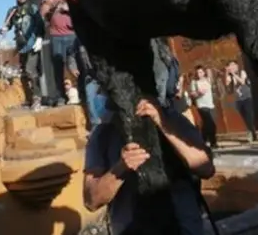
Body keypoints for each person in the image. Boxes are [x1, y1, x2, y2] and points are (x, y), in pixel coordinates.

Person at [83, 98, 215, 235]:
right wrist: (120, 168)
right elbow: (91, 200)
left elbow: (206, 168)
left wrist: (163, 124)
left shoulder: (174, 120)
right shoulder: (103, 134)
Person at [0, 0, 44, 110]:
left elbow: (40, 23)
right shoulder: (13, 11)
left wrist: (40, 38)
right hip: (21, 45)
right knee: (24, 72)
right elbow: (7, 24)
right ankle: (28, 97)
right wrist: (4, 30)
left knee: (31, 70)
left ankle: (37, 98)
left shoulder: (32, 8)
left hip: (32, 43)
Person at [41, 0, 76, 105]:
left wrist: (67, 7)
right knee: (58, 67)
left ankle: (78, 93)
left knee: (74, 65)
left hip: (72, 34)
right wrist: (51, 1)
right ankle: (61, 96)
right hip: (56, 36)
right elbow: (43, 13)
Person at [225, 59, 257, 144]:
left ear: (237, 66)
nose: (232, 67)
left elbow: (242, 82)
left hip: (246, 97)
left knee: (249, 116)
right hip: (238, 99)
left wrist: (234, 74)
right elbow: (228, 87)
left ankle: (251, 133)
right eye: (230, 66)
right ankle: (253, 133)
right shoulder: (230, 75)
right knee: (244, 117)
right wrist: (227, 74)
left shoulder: (242, 72)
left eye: (233, 65)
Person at [189, 66, 218, 149]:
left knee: (207, 125)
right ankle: (213, 143)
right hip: (201, 105)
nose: (199, 74)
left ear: (204, 72)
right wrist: (199, 92)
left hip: (210, 104)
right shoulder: (194, 82)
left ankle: (203, 141)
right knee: (210, 124)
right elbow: (192, 94)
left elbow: (212, 76)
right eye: (198, 73)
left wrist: (210, 71)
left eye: (201, 72)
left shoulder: (208, 80)